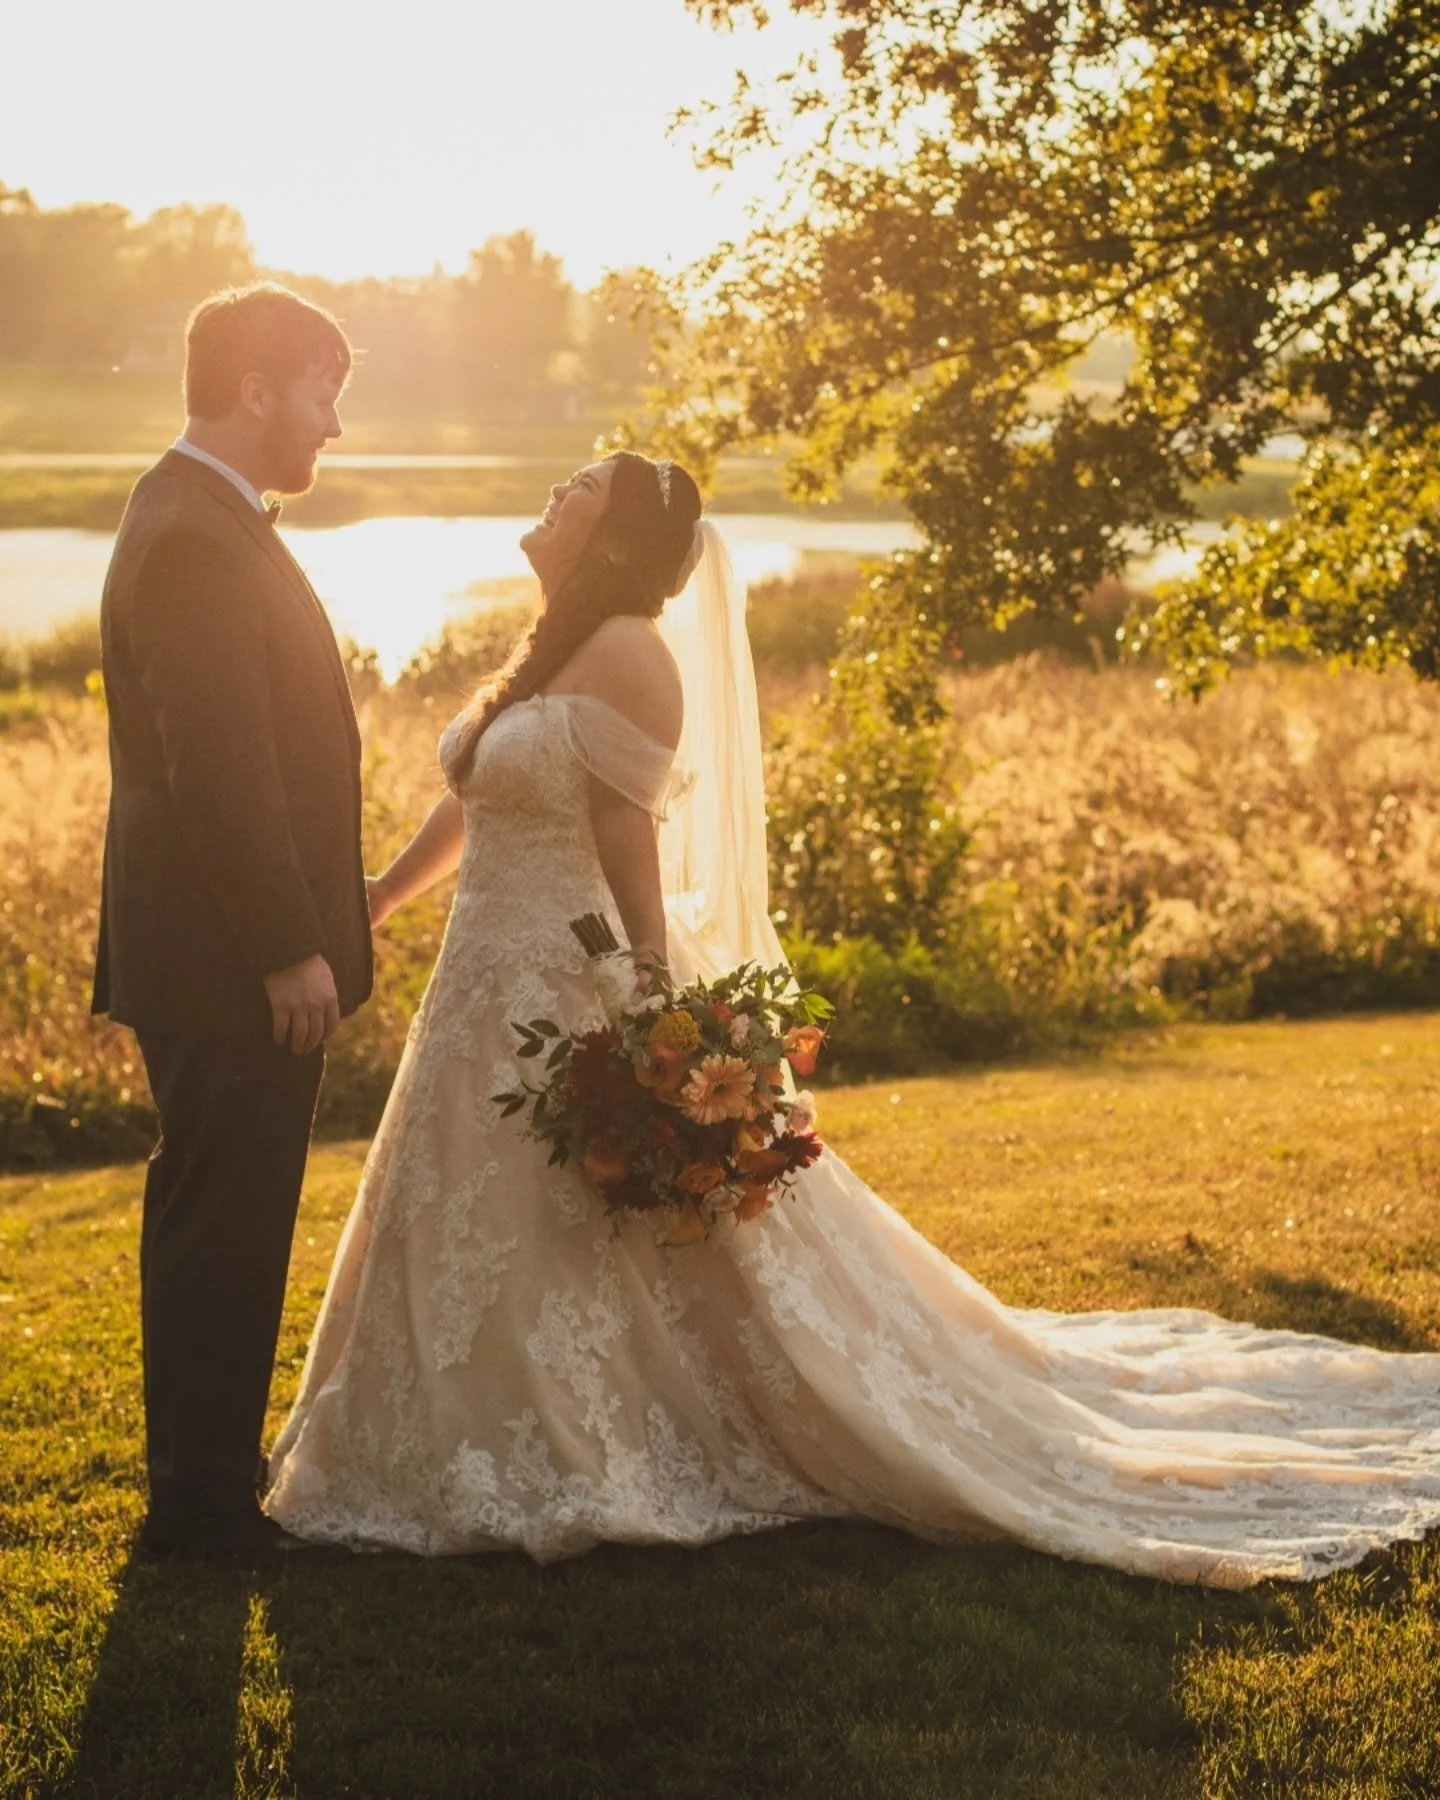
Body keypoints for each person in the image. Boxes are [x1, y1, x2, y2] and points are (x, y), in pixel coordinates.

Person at [266, 451, 1440, 1586]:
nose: (553, 491)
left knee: (580, 1213)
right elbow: (475, 800)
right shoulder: (548, 651)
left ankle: (582, 1441)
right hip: (476, 987)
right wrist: (380, 895)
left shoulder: (631, 656)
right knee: (468, 1206)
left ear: (614, 535)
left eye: (578, 487)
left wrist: (646, 998)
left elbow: (629, 838)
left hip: (568, 980)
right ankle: (454, 1430)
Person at [94, 283, 373, 1558]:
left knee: (224, 1205)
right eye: (323, 393)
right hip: (226, 959)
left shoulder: (200, 510)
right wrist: (286, 945)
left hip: (216, 952)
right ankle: (202, 1507)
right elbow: (217, 763)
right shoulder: (197, 531)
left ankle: (204, 1476)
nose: (332, 425)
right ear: (257, 389)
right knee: (226, 1211)